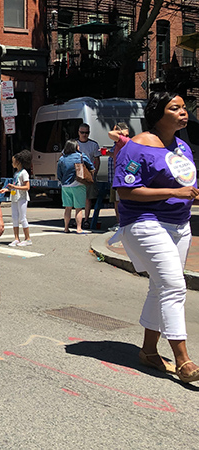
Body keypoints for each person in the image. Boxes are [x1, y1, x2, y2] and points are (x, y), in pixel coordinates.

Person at [113, 92, 199, 384]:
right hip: (144, 222)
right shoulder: (136, 148)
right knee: (174, 286)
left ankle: (149, 351)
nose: (183, 112)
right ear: (158, 114)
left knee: (159, 287)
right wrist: (174, 193)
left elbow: (185, 182)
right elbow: (125, 191)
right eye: (175, 108)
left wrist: (187, 194)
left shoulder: (182, 146)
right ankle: (183, 360)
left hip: (179, 225)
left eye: (184, 108)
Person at [57, 139, 94, 234]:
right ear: (76, 147)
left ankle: (66, 228)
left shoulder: (62, 159)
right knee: (78, 208)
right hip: (78, 184)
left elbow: (59, 174)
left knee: (68, 208)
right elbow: (91, 167)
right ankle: (78, 228)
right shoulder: (80, 156)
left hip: (65, 186)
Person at [1, 150, 32, 246]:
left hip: (22, 197)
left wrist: (14, 187)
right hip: (15, 197)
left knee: (22, 218)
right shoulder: (16, 173)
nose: (12, 163)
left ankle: (28, 239)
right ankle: (16, 238)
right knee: (15, 217)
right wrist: (7, 190)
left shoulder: (24, 173)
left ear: (18, 162)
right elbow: (16, 185)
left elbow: (27, 187)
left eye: (13, 161)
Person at [107, 122, 131, 231]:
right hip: (120, 174)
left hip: (121, 175)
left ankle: (121, 223)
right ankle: (121, 222)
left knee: (119, 201)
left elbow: (110, 133)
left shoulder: (123, 140)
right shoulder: (123, 142)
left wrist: (118, 130)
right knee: (118, 200)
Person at [77, 124, 100, 227]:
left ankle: (86, 219)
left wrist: (94, 172)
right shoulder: (74, 144)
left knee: (87, 198)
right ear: (78, 132)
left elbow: (97, 159)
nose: (84, 135)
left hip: (88, 173)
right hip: (77, 172)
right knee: (77, 198)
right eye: (82, 132)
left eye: (86, 133)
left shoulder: (93, 145)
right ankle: (78, 220)